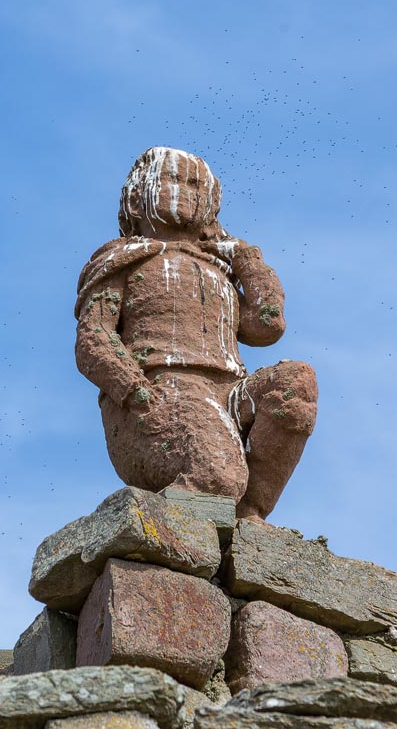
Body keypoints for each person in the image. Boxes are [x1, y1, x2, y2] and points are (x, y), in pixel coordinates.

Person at [74, 147, 317, 520]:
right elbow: (94, 337)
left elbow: (267, 326)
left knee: (295, 383)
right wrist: (137, 393)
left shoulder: (217, 268)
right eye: (173, 180)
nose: (185, 192)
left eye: (195, 185)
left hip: (228, 394)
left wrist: (246, 261)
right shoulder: (125, 257)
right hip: (158, 394)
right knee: (215, 474)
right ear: (139, 197)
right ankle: (173, 526)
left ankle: (251, 512)